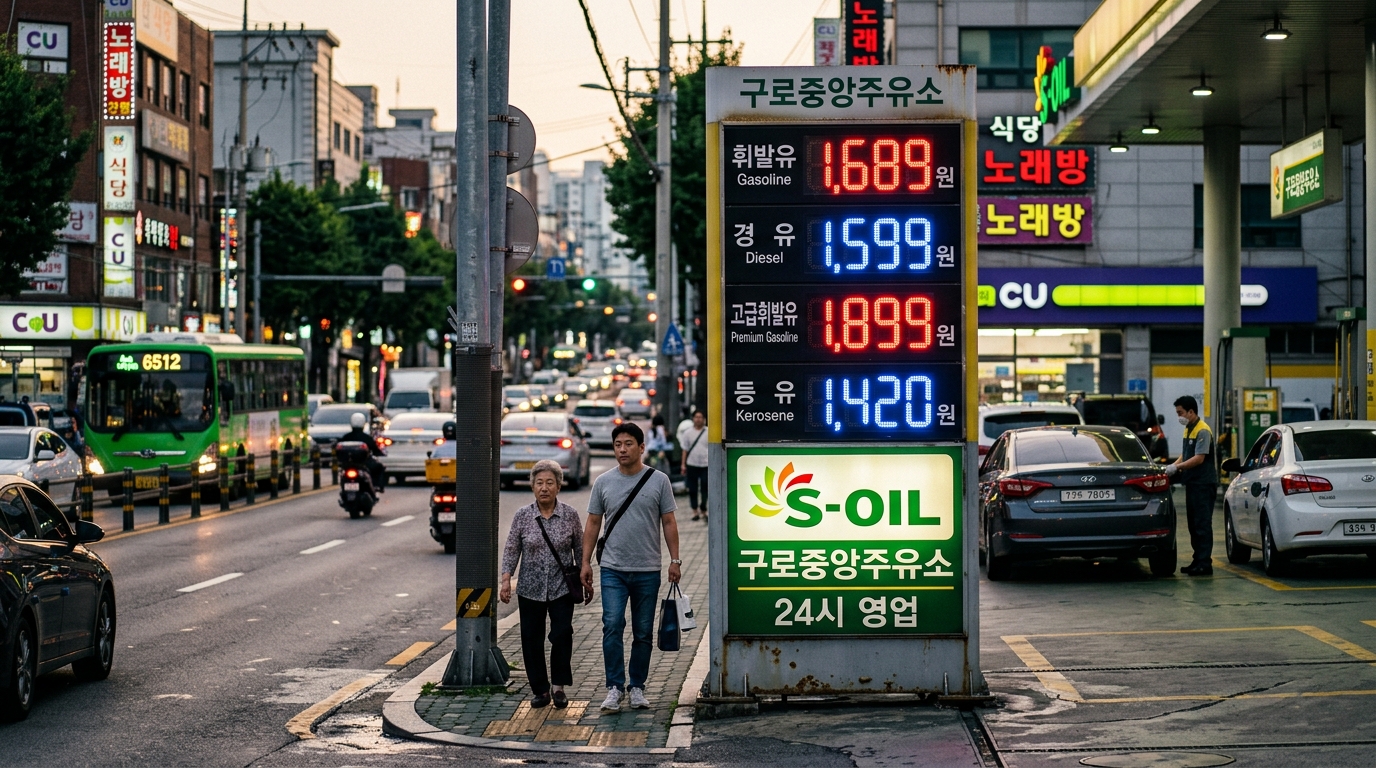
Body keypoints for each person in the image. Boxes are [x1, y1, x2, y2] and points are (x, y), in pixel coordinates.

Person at [580, 422, 680, 713]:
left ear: (641, 447)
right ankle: (614, 687)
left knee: (643, 631)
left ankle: (637, 686)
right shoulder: (603, 482)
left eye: (628, 444)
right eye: (617, 445)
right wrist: (585, 563)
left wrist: (675, 560)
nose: (622, 449)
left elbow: (669, 522)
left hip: (648, 568)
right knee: (612, 624)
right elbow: (593, 523)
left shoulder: (659, 480)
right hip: (612, 568)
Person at [500, 459, 587, 709]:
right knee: (531, 638)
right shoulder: (523, 516)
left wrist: (585, 575)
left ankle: (558, 686)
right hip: (530, 588)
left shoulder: (569, 514)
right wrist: (506, 579)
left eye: (550, 483)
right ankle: (540, 689)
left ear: (558, 486)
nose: (544, 488)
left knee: (562, 635)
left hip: (562, 588)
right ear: (532, 487)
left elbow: (580, 548)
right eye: (539, 483)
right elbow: (511, 549)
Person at [1166, 395, 1218, 575]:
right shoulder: (1189, 428)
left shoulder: (1203, 430)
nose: (1178, 416)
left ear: (1191, 411)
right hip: (1193, 483)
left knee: (1202, 524)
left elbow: (1198, 458)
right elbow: (1186, 454)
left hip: (1203, 483)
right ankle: (1197, 560)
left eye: (1180, 412)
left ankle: (1205, 563)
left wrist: (1177, 467)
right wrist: (1174, 465)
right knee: (1193, 525)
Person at [339, 412, 386, 494]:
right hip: (363, 464)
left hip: (348, 464)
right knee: (379, 467)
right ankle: (377, 486)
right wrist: (380, 453)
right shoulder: (366, 438)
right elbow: (375, 449)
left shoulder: (346, 437)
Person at [676, 409, 708, 521]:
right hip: (692, 463)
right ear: (693, 419)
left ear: (704, 419)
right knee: (692, 489)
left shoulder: (709, 432)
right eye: (696, 417)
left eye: (701, 417)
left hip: (705, 464)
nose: (698, 419)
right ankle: (695, 511)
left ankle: (704, 508)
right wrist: (683, 465)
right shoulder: (687, 433)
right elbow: (684, 450)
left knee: (705, 487)